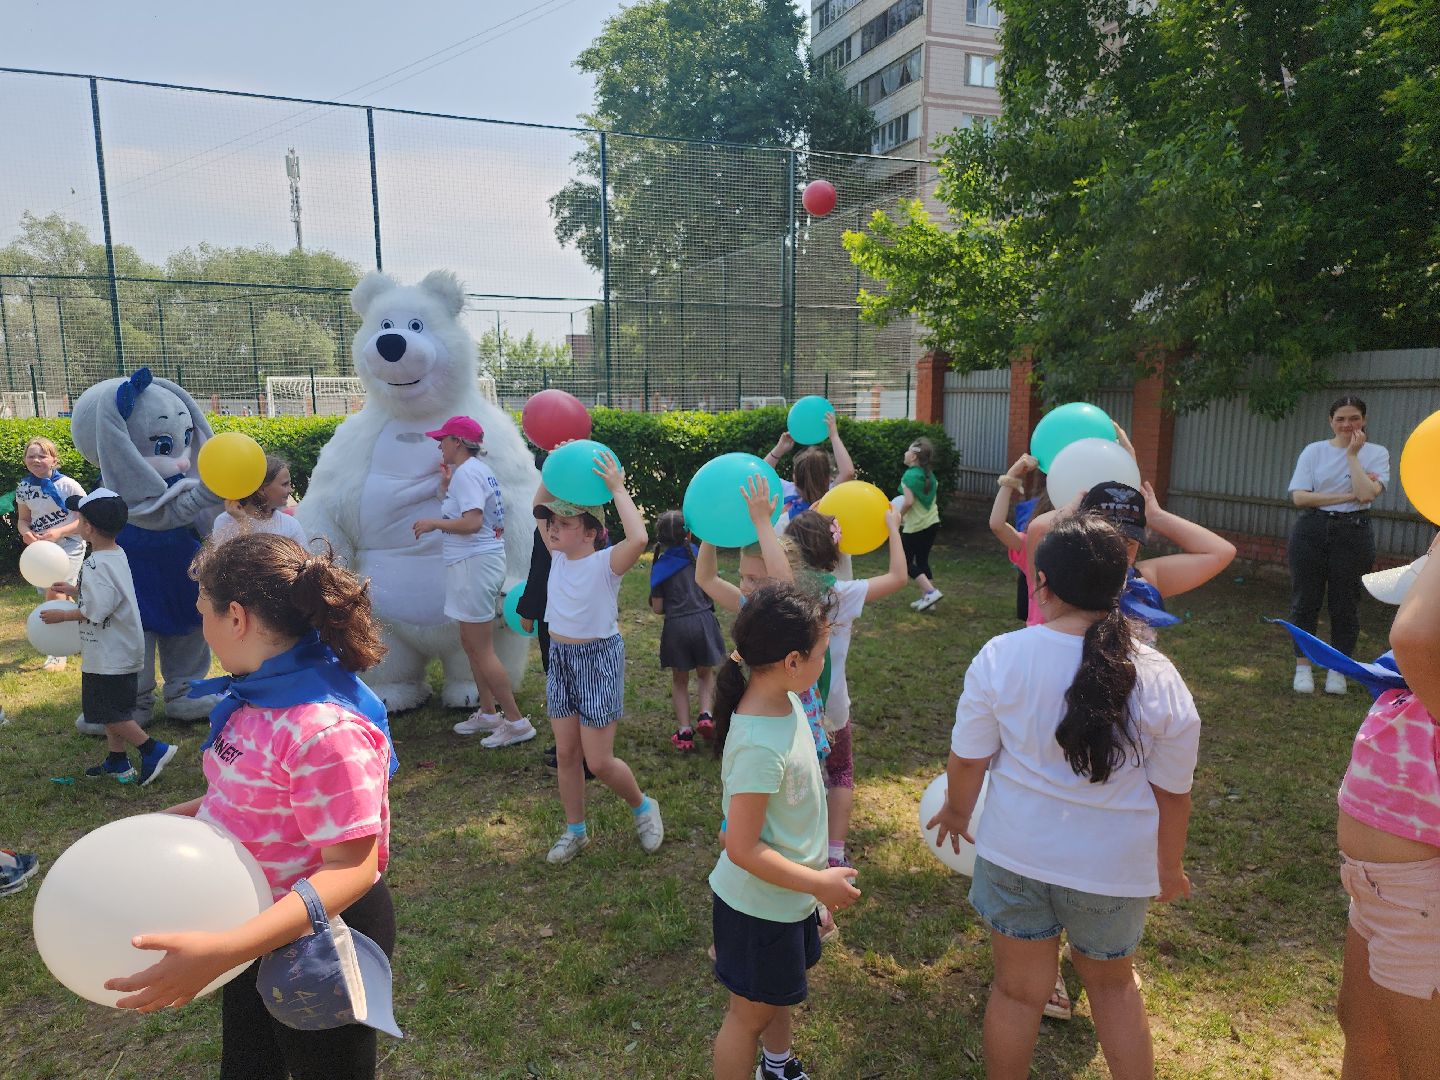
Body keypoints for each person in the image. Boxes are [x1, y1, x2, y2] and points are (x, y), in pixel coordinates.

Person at [104, 532, 397, 1080]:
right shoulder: (255, 696)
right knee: (247, 1065)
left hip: (324, 940)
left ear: (235, 617)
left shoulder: (324, 729)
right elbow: (242, 795)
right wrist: (161, 828)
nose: (202, 629)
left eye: (203, 614)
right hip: (247, 921)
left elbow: (352, 867)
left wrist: (225, 950)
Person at [929, 514, 1200, 1080]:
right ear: (1121, 588)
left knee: (1017, 993)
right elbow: (1174, 795)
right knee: (1115, 991)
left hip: (1014, 857)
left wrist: (956, 810)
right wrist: (1168, 867)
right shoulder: (1159, 674)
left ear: (1042, 584)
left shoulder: (1002, 656)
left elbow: (968, 758)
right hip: (1113, 870)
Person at [709, 582, 860, 1080]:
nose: (826, 662)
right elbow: (742, 847)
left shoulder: (788, 700)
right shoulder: (757, 740)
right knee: (746, 1016)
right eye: (821, 654)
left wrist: (810, 892)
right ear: (792, 661)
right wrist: (819, 885)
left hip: (786, 897)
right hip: (758, 908)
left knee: (774, 996)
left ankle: (778, 1067)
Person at [1327, 539, 1440, 1079]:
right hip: (1376, 889)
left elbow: (1415, 636)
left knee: (1422, 1062)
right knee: (1364, 1031)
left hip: (1424, 902)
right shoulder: (1411, 688)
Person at [533, 451, 663, 864]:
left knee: (600, 760)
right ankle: (576, 831)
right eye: (551, 522)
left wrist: (617, 488)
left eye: (565, 523)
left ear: (590, 533)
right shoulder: (555, 557)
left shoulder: (606, 564)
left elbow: (639, 539)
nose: (553, 528)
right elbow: (538, 502)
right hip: (561, 660)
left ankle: (643, 806)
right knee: (567, 754)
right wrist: (555, 463)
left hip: (596, 660)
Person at [784, 507, 907, 870]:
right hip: (832, 707)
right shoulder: (841, 594)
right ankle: (834, 854)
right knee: (840, 773)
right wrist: (892, 529)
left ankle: (795, 847)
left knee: (796, 778)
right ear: (832, 551)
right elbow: (899, 576)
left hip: (789, 705)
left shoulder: (781, 589)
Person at [41, 489, 179, 786]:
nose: (76, 522)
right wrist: (75, 589)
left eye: (79, 518)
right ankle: (118, 762)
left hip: (108, 654)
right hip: (121, 649)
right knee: (115, 709)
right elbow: (111, 595)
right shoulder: (114, 554)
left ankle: (152, 749)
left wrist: (62, 615)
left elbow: (97, 610)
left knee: (105, 711)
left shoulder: (95, 563)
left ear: (88, 527)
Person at [413, 416, 534, 748]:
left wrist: (432, 523)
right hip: (475, 565)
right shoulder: (475, 472)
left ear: (458, 442)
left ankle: (516, 721)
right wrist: (446, 490)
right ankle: (488, 712)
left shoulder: (469, 474)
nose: (439, 445)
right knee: (471, 645)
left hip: (474, 567)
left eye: (443, 440)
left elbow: (471, 523)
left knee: (480, 648)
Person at [1287, 395, 1389, 696]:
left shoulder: (1376, 453)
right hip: (1312, 529)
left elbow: (1367, 495)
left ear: (1364, 420)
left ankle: (1338, 669)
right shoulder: (1313, 451)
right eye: (1341, 419)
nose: (1347, 424)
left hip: (1354, 532)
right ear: (1331, 421)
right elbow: (1300, 498)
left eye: (1354, 418)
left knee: (1345, 604)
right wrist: (1345, 497)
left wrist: (1353, 457)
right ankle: (1303, 666)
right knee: (1305, 601)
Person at [650, 510, 726, 751]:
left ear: (660, 539)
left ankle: (684, 732)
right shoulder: (700, 556)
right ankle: (705, 715)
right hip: (703, 623)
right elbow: (713, 588)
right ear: (689, 534)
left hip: (676, 628)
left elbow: (658, 608)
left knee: (680, 681)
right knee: (706, 675)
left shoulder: (660, 567)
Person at [16, 436, 87, 670]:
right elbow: (23, 520)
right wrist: (26, 533)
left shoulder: (69, 486)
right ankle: (78, 634)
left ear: (54, 459)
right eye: (31, 456)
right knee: (59, 593)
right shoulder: (24, 488)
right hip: (42, 551)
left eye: (42, 455)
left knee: (55, 589)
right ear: (25, 460)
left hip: (70, 544)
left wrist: (58, 532)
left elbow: (83, 521)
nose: (36, 459)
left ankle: (57, 650)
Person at [989, 453, 1051, 626]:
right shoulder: (1032, 546)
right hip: (1039, 641)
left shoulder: (1085, 548)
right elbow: (997, 524)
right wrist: (1011, 476)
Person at [210, 455, 310, 549]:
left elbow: (305, 560)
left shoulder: (290, 524)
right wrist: (243, 523)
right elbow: (229, 563)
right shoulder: (225, 521)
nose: (290, 490)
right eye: (284, 484)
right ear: (261, 489)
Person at [898, 436, 943, 610]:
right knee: (922, 560)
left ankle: (931, 593)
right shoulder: (930, 475)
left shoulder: (909, 476)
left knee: (904, 562)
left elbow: (908, 502)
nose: (905, 452)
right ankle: (928, 600)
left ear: (914, 456)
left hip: (916, 526)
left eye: (908, 450)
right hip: (932, 523)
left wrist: (899, 516)